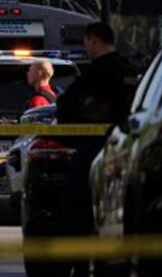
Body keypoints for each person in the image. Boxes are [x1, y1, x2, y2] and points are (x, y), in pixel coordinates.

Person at [56, 21, 139, 277]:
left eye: (86, 43)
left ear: (93, 39)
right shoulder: (130, 70)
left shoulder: (93, 74)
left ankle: (81, 264)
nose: (87, 49)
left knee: (77, 205)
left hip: (93, 149)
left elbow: (66, 107)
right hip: (129, 149)